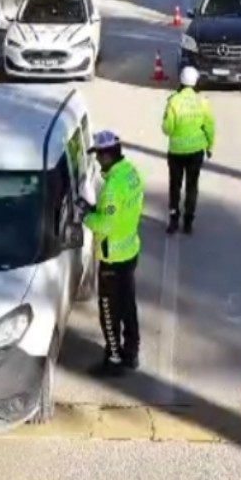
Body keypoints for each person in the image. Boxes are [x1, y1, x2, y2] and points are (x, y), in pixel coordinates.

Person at [79, 130, 144, 375]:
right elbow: (118, 212)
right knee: (129, 306)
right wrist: (97, 209)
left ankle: (114, 359)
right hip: (129, 250)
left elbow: (104, 224)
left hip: (112, 258)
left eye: (97, 155)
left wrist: (85, 214)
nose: (96, 160)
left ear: (106, 156)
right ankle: (131, 353)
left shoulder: (112, 188)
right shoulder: (131, 173)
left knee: (109, 310)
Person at [162, 66, 216, 236]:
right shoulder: (203, 102)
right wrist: (210, 146)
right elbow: (209, 126)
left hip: (176, 152)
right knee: (192, 186)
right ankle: (188, 221)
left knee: (175, 186)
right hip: (195, 152)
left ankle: (173, 220)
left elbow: (167, 128)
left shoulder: (173, 101)